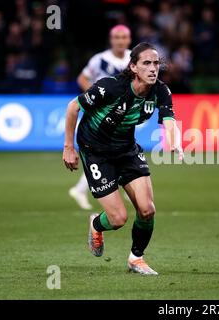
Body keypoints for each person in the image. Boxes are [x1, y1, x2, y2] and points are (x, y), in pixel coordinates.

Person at [63, 42, 183, 275]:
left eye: (156, 63)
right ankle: (96, 224)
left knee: (147, 210)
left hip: (126, 149)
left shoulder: (160, 90)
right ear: (134, 67)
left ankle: (136, 259)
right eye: (146, 63)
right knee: (118, 219)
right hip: (96, 151)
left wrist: (175, 141)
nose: (153, 68)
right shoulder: (111, 87)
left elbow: (169, 120)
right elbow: (72, 108)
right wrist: (69, 147)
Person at [69, 24, 132, 210]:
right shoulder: (100, 59)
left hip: (122, 114)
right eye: (116, 37)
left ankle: (84, 189)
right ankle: (85, 189)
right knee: (105, 152)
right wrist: (94, 96)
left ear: (129, 39)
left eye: (124, 37)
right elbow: (82, 78)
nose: (120, 41)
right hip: (99, 116)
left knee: (116, 150)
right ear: (111, 39)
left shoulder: (133, 58)